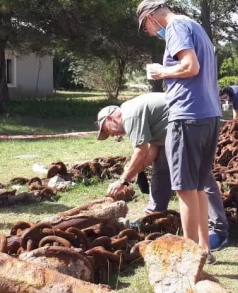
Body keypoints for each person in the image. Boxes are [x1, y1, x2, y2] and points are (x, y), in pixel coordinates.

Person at [137, 0, 222, 261]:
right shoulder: (194, 25)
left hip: (187, 115)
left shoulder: (175, 27)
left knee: (185, 188)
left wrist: (161, 72)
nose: (151, 34)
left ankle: (190, 254)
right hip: (209, 115)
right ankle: (204, 249)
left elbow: (190, 66)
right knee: (197, 186)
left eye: (147, 29)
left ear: (151, 18)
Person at [95, 93, 229, 251]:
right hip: (176, 131)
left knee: (202, 178)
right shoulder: (135, 112)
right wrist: (134, 169)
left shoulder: (129, 115)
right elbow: (153, 150)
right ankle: (154, 215)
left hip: (192, 123)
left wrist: (123, 180)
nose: (113, 135)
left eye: (108, 130)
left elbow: (141, 151)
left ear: (111, 118)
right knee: (162, 169)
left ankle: (218, 231)